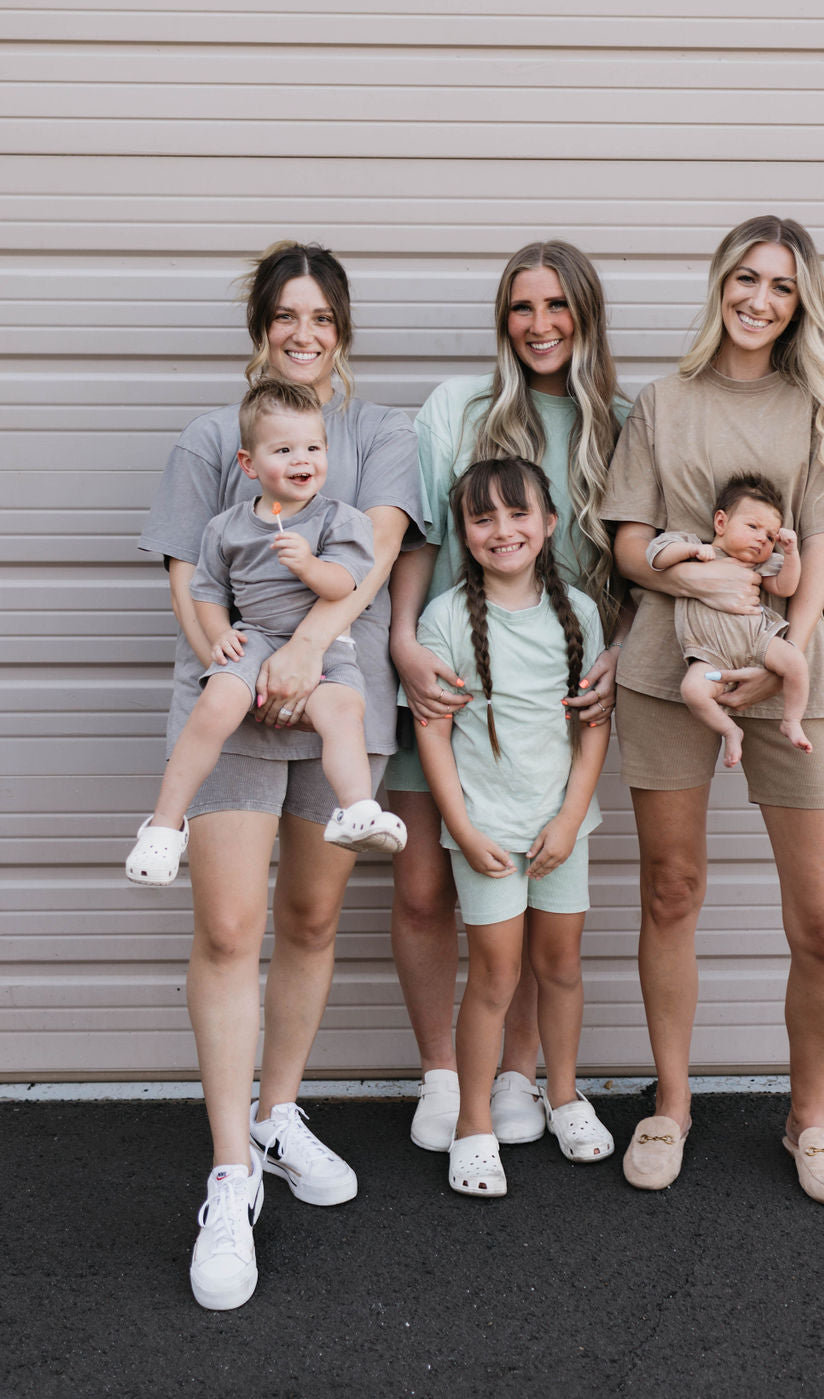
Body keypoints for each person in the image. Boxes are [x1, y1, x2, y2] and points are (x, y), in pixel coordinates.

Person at [138, 242, 422, 1309]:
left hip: (338, 696)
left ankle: (278, 1112)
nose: (303, 332)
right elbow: (186, 574)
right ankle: (229, 1172)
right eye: (284, 316)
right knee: (226, 929)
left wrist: (308, 650)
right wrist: (237, 658)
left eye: (321, 316)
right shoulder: (216, 437)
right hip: (233, 700)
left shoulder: (379, 432)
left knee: (309, 920)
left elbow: (382, 547)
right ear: (261, 327)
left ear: (341, 328)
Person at [602, 216, 824, 1204]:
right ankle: (671, 1102)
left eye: (780, 285)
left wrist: (786, 654)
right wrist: (696, 572)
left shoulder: (818, 406)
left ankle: (808, 1116)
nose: (758, 298)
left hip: (789, 672)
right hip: (668, 667)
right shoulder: (663, 401)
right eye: (745, 278)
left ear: (799, 303)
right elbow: (628, 545)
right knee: (671, 889)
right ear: (720, 282)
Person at [386, 241, 631, 1154]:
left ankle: (521, 1073)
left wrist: (626, 648)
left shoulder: (620, 419)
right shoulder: (461, 408)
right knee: (421, 888)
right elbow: (418, 537)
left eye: (558, 305)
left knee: (533, 884)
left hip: (556, 703)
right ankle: (445, 1077)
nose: (540, 325)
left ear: (586, 314)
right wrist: (406, 640)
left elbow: (639, 557)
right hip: (451, 683)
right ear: (504, 318)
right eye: (522, 307)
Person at [414, 458, 614, 1195]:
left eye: (518, 513)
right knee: (495, 974)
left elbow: (594, 726)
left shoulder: (581, 615)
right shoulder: (444, 621)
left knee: (559, 965)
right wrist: (463, 830)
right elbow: (434, 736)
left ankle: (561, 1095)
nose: (503, 530)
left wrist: (568, 818)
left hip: (560, 827)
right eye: (483, 518)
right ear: (464, 534)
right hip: (489, 832)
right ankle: (473, 1122)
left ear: (550, 523)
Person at [127, 378, 406, 884]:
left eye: (313, 448)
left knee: (344, 713)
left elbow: (346, 582)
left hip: (325, 650)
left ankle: (355, 809)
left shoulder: (339, 520)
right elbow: (207, 591)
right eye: (284, 449)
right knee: (215, 706)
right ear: (249, 465)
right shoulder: (227, 527)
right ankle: (165, 825)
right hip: (253, 637)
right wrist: (218, 637)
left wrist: (308, 566)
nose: (303, 459)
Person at [646, 472, 812, 768]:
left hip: (757, 642)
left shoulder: (761, 564)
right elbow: (656, 558)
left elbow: (786, 587)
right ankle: (729, 730)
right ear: (721, 522)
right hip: (710, 653)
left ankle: (792, 720)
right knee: (693, 691)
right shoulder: (694, 551)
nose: (762, 538)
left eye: (770, 536)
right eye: (753, 526)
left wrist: (791, 552)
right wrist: (693, 550)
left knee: (796, 662)